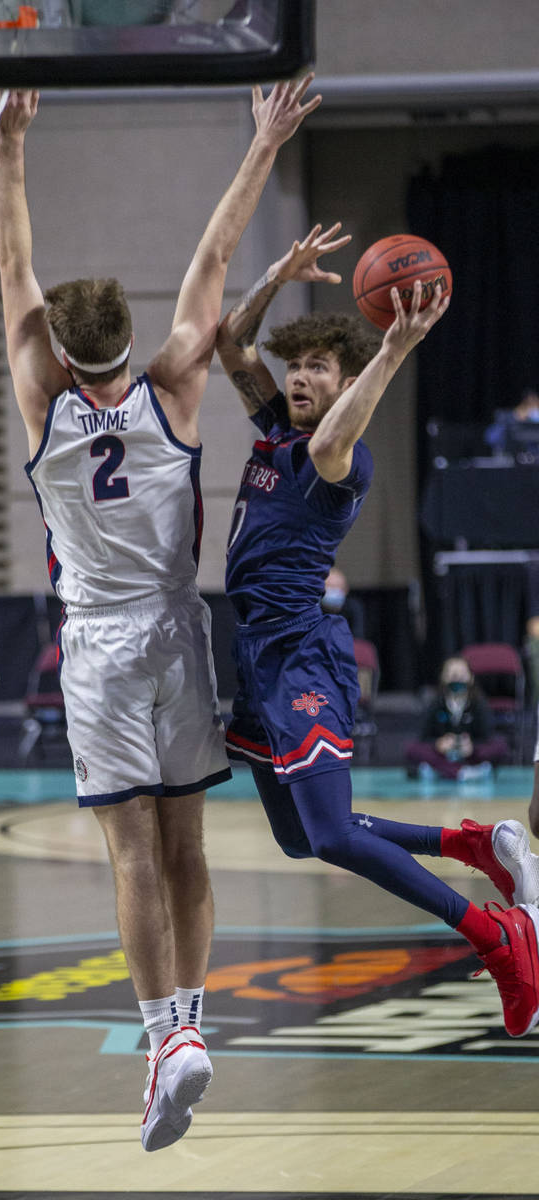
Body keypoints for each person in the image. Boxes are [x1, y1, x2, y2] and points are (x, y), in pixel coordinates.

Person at [0, 77, 321, 1150]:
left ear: (57, 353)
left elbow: (17, 272)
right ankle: (191, 1024)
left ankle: (158, 1043)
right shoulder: (173, 382)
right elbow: (216, 258)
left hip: (95, 644)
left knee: (129, 855)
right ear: (125, 344)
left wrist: (7, 147)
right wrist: (261, 141)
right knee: (186, 847)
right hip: (180, 630)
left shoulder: (40, 400)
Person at [216, 227, 539, 1040]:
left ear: (349, 381)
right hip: (254, 659)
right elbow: (228, 339)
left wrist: (395, 348)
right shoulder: (277, 429)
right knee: (300, 839)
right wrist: (279, 273)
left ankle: (497, 935)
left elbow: (332, 440)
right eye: (294, 366)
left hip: (301, 654)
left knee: (329, 829)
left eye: (318, 368)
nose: (296, 378)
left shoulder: (341, 460)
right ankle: (476, 842)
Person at [404, 654, 510, 782]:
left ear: (471, 678)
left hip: (469, 755)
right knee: (412, 748)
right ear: (443, 678)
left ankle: (442, 772)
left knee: (500, 746)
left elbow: (488, 736)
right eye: (452, 675)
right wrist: (438, 744)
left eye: (461, 674)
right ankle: (463, 773)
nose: (457, 679)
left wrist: (472, 747)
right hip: (443, 754)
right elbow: (422, 737)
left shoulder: (479, 703)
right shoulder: (435, 703)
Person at [484, 387, 539, 456]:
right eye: (530, 401)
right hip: (516, 439)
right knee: (497, 430)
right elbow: (491, 438)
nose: (532, 403)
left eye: (534, 400)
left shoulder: (535, 412)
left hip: (532, 444)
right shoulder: (517, 413)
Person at [320, 565, 364, 638]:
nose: (333, 591)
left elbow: (358, 638)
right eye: (329, 586)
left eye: (336, 587)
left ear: (346, 590)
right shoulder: (313, 609)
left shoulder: (353, 608)